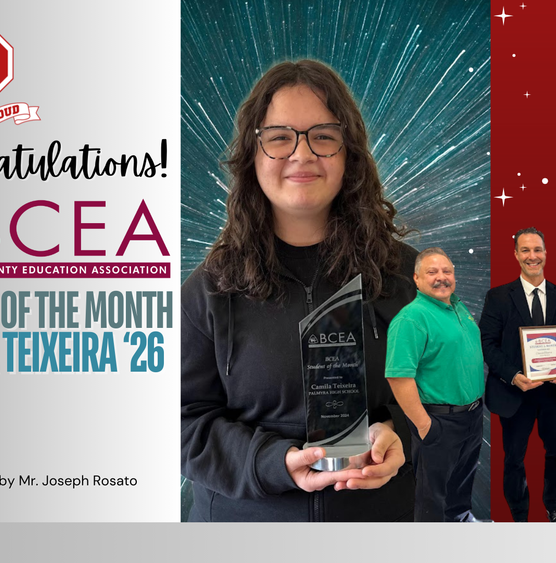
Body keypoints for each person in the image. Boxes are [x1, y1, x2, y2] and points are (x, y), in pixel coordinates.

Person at [180, 60, 419, 521]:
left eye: (323, 136)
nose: (302, 153)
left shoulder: (407, 276)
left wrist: (401, 433)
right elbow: (181, 422)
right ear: (253, 156)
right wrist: (273, 464)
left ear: (349, 155)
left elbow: (447, 393)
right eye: (279, 137)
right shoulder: (210, 288)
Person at [479, 227, 556, 522]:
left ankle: (553, 505)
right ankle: (519, 515)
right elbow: (487, 343)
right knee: (514, 459)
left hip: (553, 393)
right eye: (525, 250)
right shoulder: (498, 296)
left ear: (546, 253)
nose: (532, 256)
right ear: (516, 255)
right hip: (514, 393)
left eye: (537, 250)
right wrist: (513, 376)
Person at [385, 248, 485, 522]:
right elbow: (398, 376)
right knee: (432, 496)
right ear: (416, 279)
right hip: (439, 420)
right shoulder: (411, 318)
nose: (441, 277)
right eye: (432, 272)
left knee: (462, 482)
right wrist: (424, 425)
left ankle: (460, 521)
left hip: (472, 415)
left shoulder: (457, 307)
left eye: (447, 271)